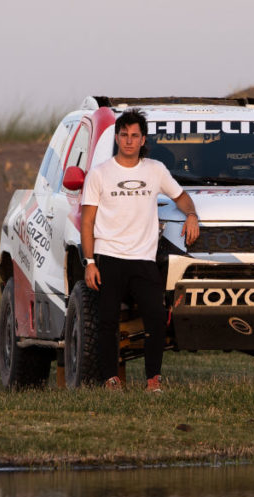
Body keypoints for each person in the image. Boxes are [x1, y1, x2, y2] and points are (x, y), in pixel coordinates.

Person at [81, 109, 199, 392]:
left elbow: (181, 197)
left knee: (156, 319)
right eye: (124, 135)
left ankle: (153, 380)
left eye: (135, 136)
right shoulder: (100, 174)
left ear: (143, 139)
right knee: (107, 321)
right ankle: (111, 379)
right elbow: (87, 221)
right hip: (109, 257)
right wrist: (89, 262)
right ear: (117, 138)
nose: (129, 141)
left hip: (144, 259)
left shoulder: (155, 170)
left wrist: (192, 215)